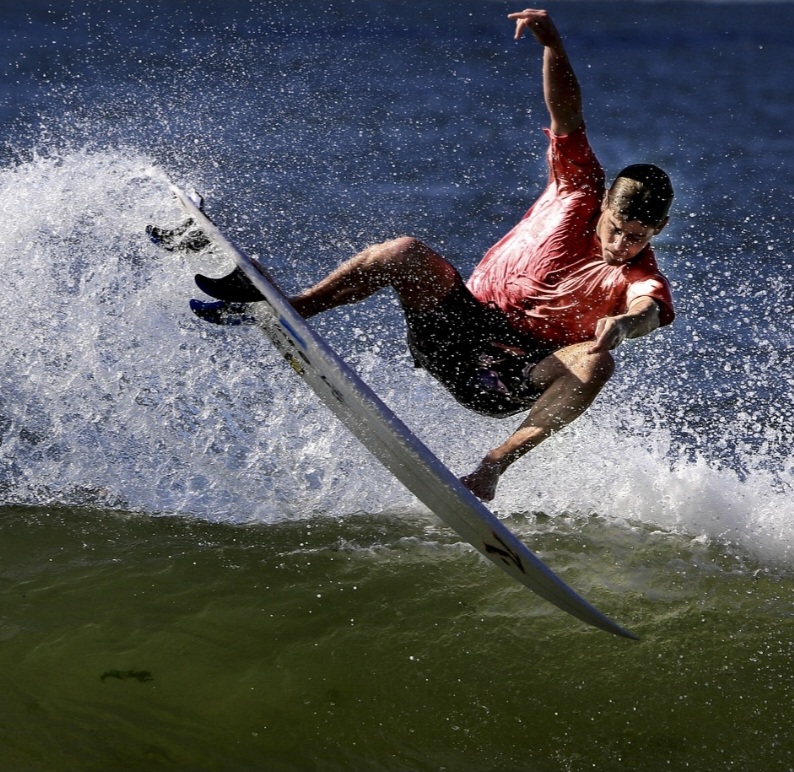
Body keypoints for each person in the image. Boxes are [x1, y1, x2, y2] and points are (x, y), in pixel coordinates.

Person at [192, 8, 676, 502]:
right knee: (404, 252)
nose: (622, 245)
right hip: (454, 329)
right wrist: (552, 45)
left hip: (508, 376)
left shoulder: (640, 273)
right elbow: (568, 115)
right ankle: (292, 308)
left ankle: (490, 468)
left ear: (657, 230)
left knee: (597, 363)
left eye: (639, 237)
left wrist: (622, 326)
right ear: (605, 207)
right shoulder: (577, 188)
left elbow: (649, 308)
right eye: (617, 229)